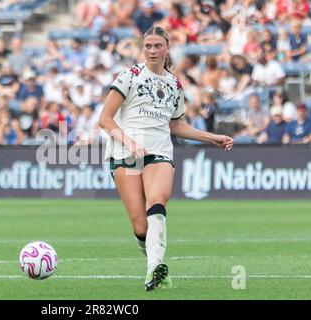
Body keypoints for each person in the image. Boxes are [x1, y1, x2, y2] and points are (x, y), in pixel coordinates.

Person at [98, 26, 233, 291]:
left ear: (167, 48)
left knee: (157, 201)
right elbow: (104, 119)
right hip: (125, 152)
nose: (152, 50)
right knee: (140, 226)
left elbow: (176, 125)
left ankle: (154, 268)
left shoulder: (174, 83)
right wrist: (130, 143)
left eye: (157, 45)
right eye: (148, 45)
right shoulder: (130, 75)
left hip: (159, 151)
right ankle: (156, 266)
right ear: (142, 48)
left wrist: (211, 137)